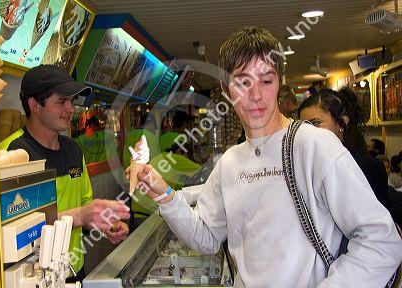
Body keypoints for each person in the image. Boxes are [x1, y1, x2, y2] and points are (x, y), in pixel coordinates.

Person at [126, 27, 402, 287]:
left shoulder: (315, 146)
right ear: (225, 90)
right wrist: (163, 194)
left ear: (280, 82)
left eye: (266, 80)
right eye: (243, 82)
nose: (255, 95)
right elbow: (206, 237)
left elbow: (381, 240)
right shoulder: (230, 163)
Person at [0, 64, 130, 282]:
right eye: (61, 102)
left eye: (71, 101)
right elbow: (11, 234)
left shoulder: (74, 150)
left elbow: (85, 204)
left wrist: (107, 223)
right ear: (34, 105)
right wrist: (80, 215)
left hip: (73, 271)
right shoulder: (11, 155)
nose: (71, 109)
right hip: (34, 279)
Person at [297, 87, 390, 207]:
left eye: (316, 123)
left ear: (342, 122)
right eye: (303, 126)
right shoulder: (301, 166)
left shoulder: (370, 167)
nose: (308, 131)